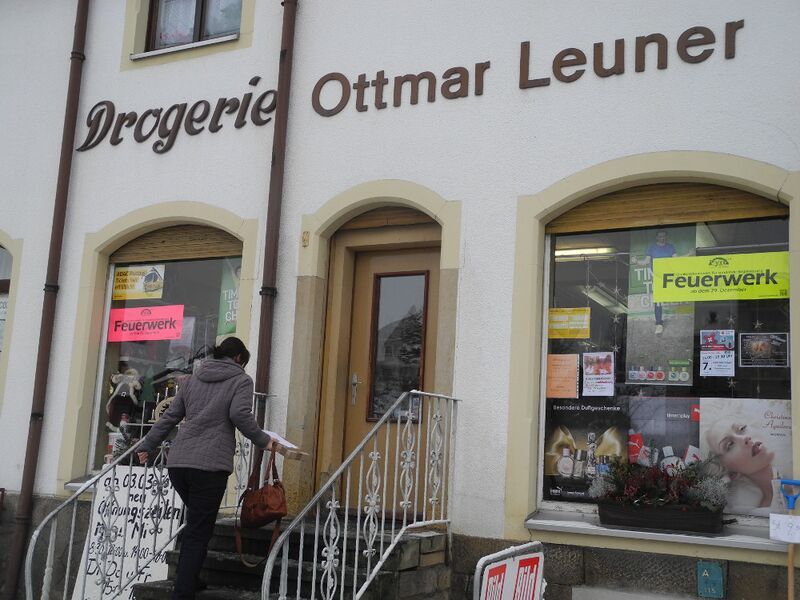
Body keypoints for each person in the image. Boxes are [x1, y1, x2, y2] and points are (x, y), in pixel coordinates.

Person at [137, 337, 272, 600]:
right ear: (238, 358)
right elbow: (239, 415)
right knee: (199, 528)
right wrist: (264, 440)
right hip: (209, 467)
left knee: (197, 523)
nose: (243, 367)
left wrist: (148, 444)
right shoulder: (241, 380)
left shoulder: (192, 379)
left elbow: (170, 416)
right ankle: (183, 591)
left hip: (179, 464)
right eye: (243, 363)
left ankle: (190, 577)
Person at [702, 419, 783, 515]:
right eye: (730, 444)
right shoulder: (754, 514)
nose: (745, 438)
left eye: (742, 428)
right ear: (731, 473)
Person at [633, 229, 677, 335]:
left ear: (667, 237)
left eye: (664, 236)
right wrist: (636, 261)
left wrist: (689, 255)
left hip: (670, 277)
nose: (662, 238)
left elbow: (677, 260)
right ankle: (659, 324)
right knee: (658, 301)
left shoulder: (671, 247)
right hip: (657, 278)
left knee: (676, 296)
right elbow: (646, 262)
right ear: (657, 237)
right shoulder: (652, 248)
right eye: (660, 236)